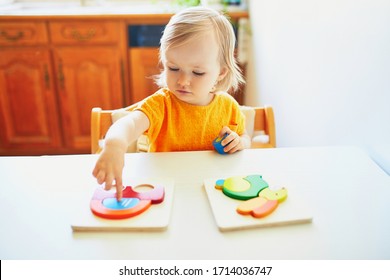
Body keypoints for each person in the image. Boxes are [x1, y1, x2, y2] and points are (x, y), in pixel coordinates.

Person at [92, 6, 251, 200]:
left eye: (197, 72)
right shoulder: (162, 104)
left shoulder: (228, 106)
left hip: (211, 192)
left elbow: (244, 136)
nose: (183, 81)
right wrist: (115, 144)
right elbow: (130, 123)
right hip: (166, 191)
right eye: (173, 68)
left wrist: (240, 142)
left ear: (221, 73)